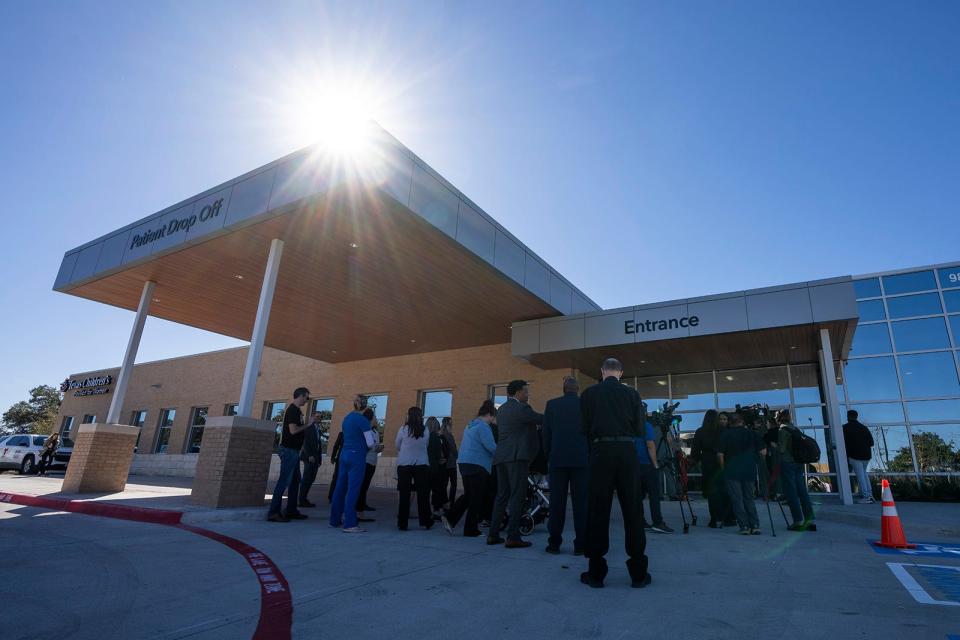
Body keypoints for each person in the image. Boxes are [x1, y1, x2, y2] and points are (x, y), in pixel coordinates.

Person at [580, 358, 650, 589]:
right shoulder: (632, 395)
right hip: (626, 452)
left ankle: (596, 573)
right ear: (621, 372)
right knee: (633, 511)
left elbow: (583, 428)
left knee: (598, 511)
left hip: (601, 451)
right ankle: (638, 573)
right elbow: (640, 429)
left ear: (602, 372)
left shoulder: (589, 394)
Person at [488, 379, 544, 549]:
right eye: (526, 391)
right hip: (517, 457)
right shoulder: (521, 408)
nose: (527, 394)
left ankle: (493, 534)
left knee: (501, 496)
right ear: (518, 392)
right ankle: (513, 536)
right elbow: (541, 419)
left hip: (501, 457)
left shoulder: (502, 409)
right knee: (517, 496)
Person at [543, 377, 590, 554]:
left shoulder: (552, 405)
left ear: (563, 389)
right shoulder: (585, 405)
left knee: (556, 503)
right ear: (577, 389)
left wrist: (549, 455)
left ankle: (554, 544)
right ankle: (581, 545)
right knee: (581, 504)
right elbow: (591, 432)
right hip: (581, 461)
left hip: (557, 460)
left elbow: (546, 435)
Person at [442, 401, 498, 537]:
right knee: (476, 497)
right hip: (477, 464)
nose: (493, 421)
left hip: (464, 463)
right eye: (493, 417)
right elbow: (491, 447)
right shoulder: (484, 427)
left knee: (469, 495)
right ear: (489, 414)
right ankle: (469, 529)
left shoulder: (471, 425)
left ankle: (450, 518)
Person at [329, 395, 378, 533]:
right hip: (357, 456)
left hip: (344, 454)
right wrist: (374, 447)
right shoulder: (363, 421)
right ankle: (350, 523)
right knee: (353, 489)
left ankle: (334, 520)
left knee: (340, 487)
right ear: (365, 405)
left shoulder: (347, 418)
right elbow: (370, 443)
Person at [268, 387, 311, 522]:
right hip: (288, 450)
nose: (307, 400)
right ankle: (273, 512)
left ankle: (291, 510)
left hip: (294, 451)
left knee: (295, 480)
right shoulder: (292, 410)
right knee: (284, 480)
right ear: (301, 396)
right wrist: (308, 424)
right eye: (306, 397)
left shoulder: (297, 411)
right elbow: (293, 430)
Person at [718, 413, 766, 535]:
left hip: (732, 472)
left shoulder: (725, 435)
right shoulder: (751, 433)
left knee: (737, 499)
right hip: (749, 470)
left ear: (730, 422)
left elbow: (720, 454)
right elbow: (763, 451)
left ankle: (744, 526)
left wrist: (723, 469)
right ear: (742, 422)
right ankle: (755, 525)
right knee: (749, 498)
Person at [691, 410, 733, 528]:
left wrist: (694, 461)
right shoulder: (723, 431)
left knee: (712, 493)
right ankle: (728, 518)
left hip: (707, 464)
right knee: (724, 491)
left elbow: (695, 451)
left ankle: (714, 519)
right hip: (721, 463)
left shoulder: (700, 431)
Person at [776, 411, 816, 531]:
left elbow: (782, 449)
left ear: (779, 419)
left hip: (787, 463)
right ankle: (810, 520)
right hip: (799, 463)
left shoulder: (782, 431)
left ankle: (798, 521)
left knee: (791, 493)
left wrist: (774, 446)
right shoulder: (795, 429)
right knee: (802, 491)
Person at [396, 407, 432, 530]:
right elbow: (426, 445)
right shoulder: (425, 430)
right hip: (421, 464)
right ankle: (426, 521)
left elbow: (397, 445)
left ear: (409, 416)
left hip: (404, 464)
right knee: (423, 495)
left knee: (404, 495)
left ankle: (402, 523)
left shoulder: (403, 429)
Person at [636, 418, 674, 534]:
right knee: (654, 494)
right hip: (647, 465)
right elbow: (650, 445)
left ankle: (640, 521)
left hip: (633, 465)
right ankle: (657, 522)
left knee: (638, 495)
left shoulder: (628, 425)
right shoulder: (645, 425)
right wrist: (655, 464)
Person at [355, 408, 383, 522]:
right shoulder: (366, 431)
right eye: (375, 417)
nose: (377, 419)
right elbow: (367, 446)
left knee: (365, 486)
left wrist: (378, 447)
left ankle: (362, 506)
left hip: (372, 461)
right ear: (370, 419)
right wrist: (376, 447)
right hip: (365, 462)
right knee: (361, 486)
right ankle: (358, 512)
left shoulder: (375, 432)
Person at [843, 410, 875, 504]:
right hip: (866, 456)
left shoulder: (845, 428)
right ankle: (869, 494)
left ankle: (866, 496)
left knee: (860, 476)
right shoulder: (864, 428)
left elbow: (843, 443)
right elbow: (871, 442)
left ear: (848, 416)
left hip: (855, 456)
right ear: (856, 416)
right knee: (864, 474)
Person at [298, 412, 322, 508]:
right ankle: (301, 500)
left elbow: (319, 445)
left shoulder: (317, 429)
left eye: (320, 417)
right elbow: (305, 442)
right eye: (317, 417)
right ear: (312, 417)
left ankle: (304, 499)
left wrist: (319, 459)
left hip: (316, 458)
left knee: (311, 478)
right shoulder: (308, 427)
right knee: (306, 478)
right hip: (309, 457)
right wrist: (309, 455)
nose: (319, 418)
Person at [426, 416, 447, 517]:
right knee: (436, 489)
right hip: (434, 466)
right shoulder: (435, 437)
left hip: (425, 466)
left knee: (426, 490)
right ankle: (436, 510)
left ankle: (427, 511)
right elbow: (438, 453)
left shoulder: (424, 436)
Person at [440, 416, 459, 508]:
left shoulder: (440, 435)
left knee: (444, 484)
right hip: (450, 464)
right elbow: (454, 449)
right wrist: (456, 455)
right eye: (450, 423)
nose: (452, 425)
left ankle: (445, 501)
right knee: (453, 484)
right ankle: (450, 502)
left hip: (446, 464)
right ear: (447, 424)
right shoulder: (448, 435)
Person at [327, 429, 344, 503]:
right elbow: (336, 446)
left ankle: (341, 497)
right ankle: (331, 496)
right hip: (340, 459)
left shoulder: (355, 433)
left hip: (349, 459)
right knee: (336, 477)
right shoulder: (342, 434)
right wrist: (333, 457)